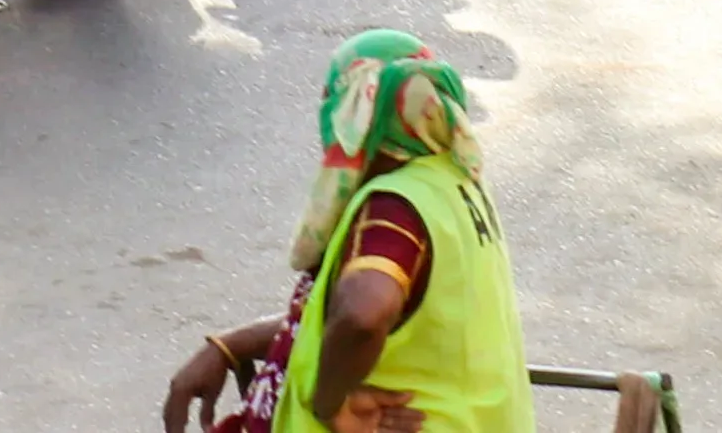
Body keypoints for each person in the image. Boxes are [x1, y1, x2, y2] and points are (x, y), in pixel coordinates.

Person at [158, 31, 529, 433]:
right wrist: (232, 345)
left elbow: (362, 316)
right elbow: (341, 320)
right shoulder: (452, 182)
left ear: (356, 113)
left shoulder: (394, 208)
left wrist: (328, 405)